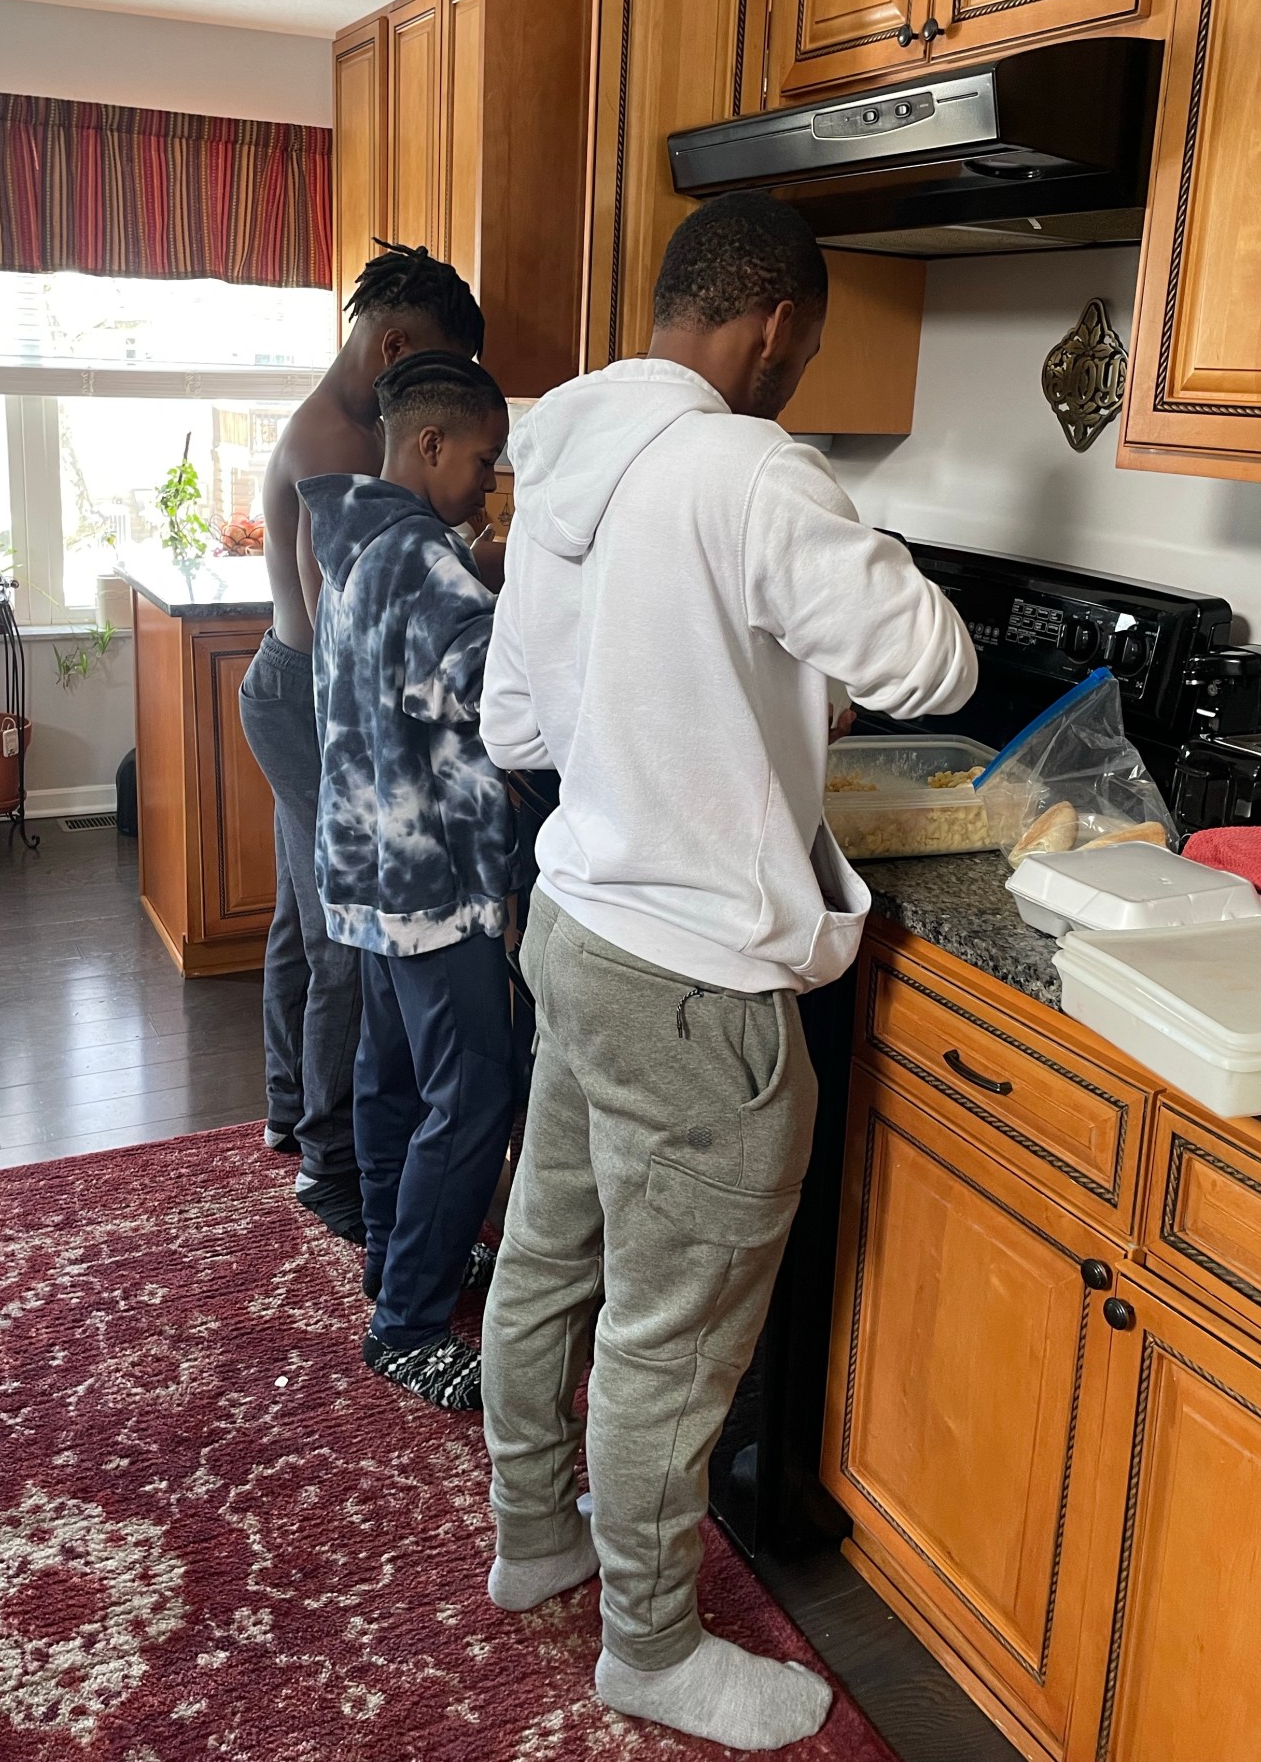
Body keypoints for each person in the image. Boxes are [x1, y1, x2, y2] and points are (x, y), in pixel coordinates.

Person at [477, 191, 977, 1751]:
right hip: (696, 985)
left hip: (578, 928)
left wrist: (717, 688)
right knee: (671, 1339)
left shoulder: (559, 459)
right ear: (778, 326)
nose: (800, 372)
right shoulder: (753, 468)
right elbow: (938, 660)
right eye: (808, 350)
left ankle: (534, 1533)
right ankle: (650, 1644)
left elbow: (517, 724)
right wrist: (796, 647)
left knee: (548, 1255)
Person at [239, 243, 485, 1243]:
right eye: (436, 365)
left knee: (301, 918)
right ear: (394, 346)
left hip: (285, 683)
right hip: (309, 701)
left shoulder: (337, 423)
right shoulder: (337, 448)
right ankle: (329, 1162)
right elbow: (353, 636)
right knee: (348, 932)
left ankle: (288, 1109)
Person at [298, 352, 520, 1412]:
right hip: (433, 877)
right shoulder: (425, 563)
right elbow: (504, 698)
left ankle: (397, 1258)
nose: (489, 482)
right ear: (431, 443)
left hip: (365, 865)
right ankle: (409, 1325)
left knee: (391, 1080)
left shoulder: (353, 538)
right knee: (472, 1093)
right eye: (483, 460)